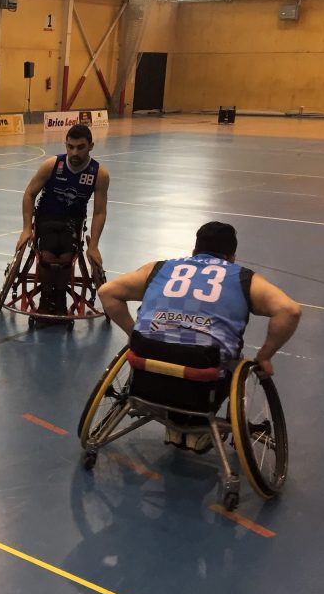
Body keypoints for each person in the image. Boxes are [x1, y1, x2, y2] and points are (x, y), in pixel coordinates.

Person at [98, 221, 301, 450]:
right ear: (233, 256)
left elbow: (107, 293)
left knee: (167, 349)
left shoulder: (159, 268)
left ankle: (174, 423)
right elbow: (290, 310)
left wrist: (133, 333)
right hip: (202, 377)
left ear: (194, 251)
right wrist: (265, 356)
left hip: (147, 366)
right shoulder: (244, 278)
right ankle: (197, 425)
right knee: (233, 359)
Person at [16, 124, 109, 319]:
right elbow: (29, 194)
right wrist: (26, 229)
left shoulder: (99, 174)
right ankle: (46, 301)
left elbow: (99, 211)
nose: (74, 152)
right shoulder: (52, 165)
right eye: (70, 147)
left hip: (72, 223)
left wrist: (94, 246)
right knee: (48, 253)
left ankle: (59, 300)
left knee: (66, 255)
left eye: (80, 147)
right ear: (65, 145)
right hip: (46, 219)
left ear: (91, 146)